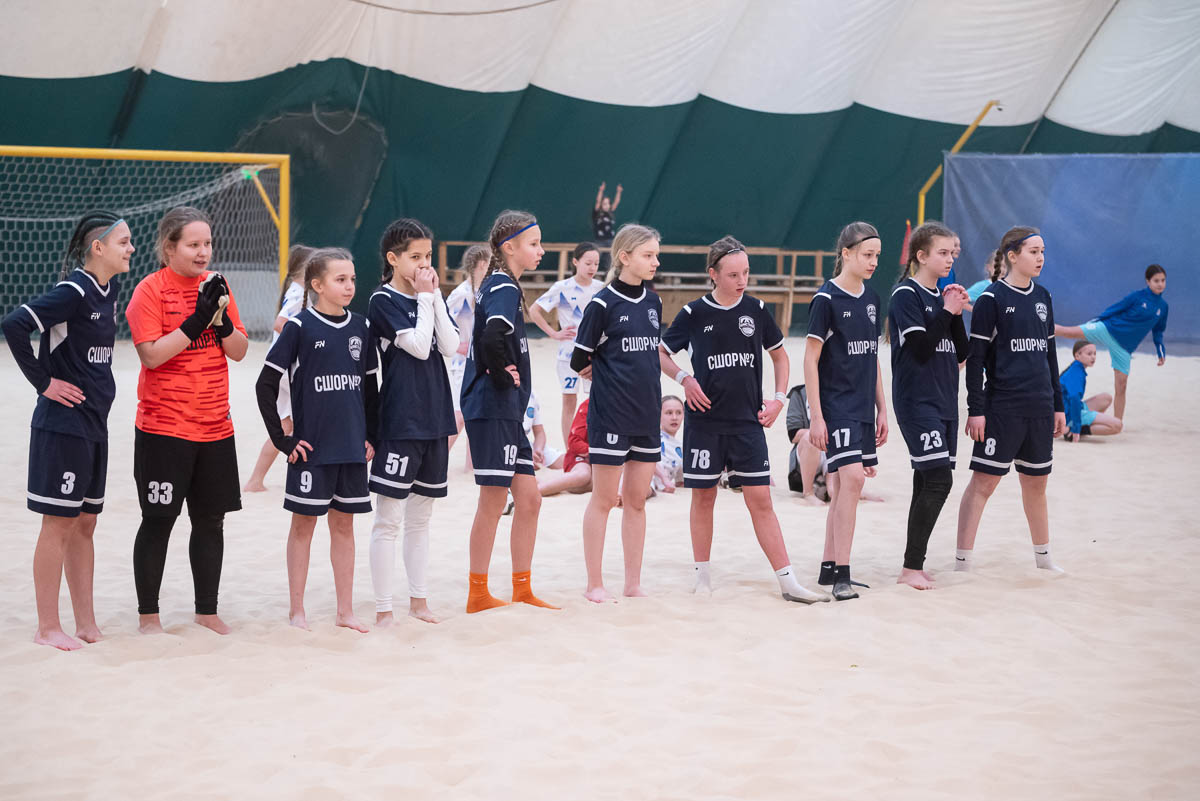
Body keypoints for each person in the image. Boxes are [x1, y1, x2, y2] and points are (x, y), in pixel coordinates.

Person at [660, 235, 827, 603]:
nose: (742, 280)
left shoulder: (756, 309)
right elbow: (661, 353)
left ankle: (788, 582)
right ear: (713, 274)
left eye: (746, 273)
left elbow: (780, 356)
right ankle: (702, 577)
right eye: (733, 274)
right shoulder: (694, 313)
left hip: (747, 423)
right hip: (704, 423)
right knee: (703, 498)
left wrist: (779, 399)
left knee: (761, 500)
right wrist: (684, 379)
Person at [2, 211, 133, 650]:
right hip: (63, 426)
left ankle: (86, 623)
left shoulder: (108, 289)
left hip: (95, 424)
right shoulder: (73, 291)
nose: (131, 248)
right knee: (58, 522)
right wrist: (44, 383)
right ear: (98, 248)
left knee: (86, 522)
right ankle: (47, 627)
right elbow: (14, 324)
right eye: (123, 242)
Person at [125, 206, 249, 635]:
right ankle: (148, 617)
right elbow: (151, 355)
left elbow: (239, 351)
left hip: (215, 427)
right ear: (168, 248)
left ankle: (206, 611)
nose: (203, 252)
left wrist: (222, 322)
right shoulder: (150, 290)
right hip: (164, 428)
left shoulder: (217, 284)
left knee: (211, 521)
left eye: (208, 243)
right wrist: (198, 321)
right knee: (159, 520)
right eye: (193, 244)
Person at [256, 248, 377, 631]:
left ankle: (345, 612)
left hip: (352, 449)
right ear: (317, 285)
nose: (350, 286)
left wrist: (371, 435)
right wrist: (283, 440)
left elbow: (371, 389)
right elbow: (265, 384)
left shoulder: (361, 327)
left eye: (352, 279)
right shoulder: (299, 326)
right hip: (312, 450)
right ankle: (297, 610)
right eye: (340, 280)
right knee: (303, 526)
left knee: (344, 527)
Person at [460, 210, 557, 612]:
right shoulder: (501, 284)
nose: (541, 250)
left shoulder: (501, 283)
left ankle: (522, 588)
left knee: (530, 499)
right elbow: (491, 337)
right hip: (491, 406)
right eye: (534, 243)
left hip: (506, 410)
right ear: (510, 247)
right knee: (492, 500)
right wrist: (502, 373)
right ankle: (478, 593)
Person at [956, 226, 1066, 573]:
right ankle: (963, 562)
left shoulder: (1043, 297)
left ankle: (1044, 560)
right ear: (1012, 256)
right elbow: (975, 360)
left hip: (1040, 406)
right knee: (984, 483)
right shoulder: (991, 299)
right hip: (1002, 408)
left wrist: (1058, 405)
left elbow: (1050, 356)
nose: (1040, 258)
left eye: (1043, 251)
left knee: (1036, 484)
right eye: (1034, 252)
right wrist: (976, 410)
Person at [367, 219, 460, 627]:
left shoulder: (428, 295)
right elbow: (419, 347)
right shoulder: (382, 300)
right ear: (393, 259)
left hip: (435, 418)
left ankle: (419, 601)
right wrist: (425, 298)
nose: (424, 264)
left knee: (421, 519)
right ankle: (383, 607)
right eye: (415, 257)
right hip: (401, 420)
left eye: (428, 256)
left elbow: (451, 345)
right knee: (389, 520)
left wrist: (434, 297)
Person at [571, 223, 662, 603]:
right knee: (605, 499)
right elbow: (579, 359)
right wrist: (605, 373)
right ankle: (594, 584)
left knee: (636, 501)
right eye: (648, 255)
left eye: (656, 255)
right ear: (624, 257)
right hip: (610, 415)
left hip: (648, 414)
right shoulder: (603, 304)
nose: (655, 262)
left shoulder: (654, 302)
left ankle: (632, 584)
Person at [803, 221, 889, 601]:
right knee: (852, 480)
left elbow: (872, 358)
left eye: (877, 256)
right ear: (847, 253)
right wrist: (817, 416)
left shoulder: (872, 299)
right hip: (835, 405)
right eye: (867, 254)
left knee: (843, 486)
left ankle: (828, 567)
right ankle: (843, 574)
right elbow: (810, 359)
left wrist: (883, 409)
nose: (873, 262)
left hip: (863, 407)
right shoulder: (826, 300)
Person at [886, 221, 969, 591]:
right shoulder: (906, 294)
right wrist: (947, 311)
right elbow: (920, 349)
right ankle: (910, 567)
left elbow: (962, 353)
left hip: (945, 401)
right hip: (917, 401)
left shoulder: (940, 297)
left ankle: (913, 564)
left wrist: (956, 312)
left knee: (927, 479)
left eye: (952, 253)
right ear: (921, 255)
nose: (950, 259)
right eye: (942, 252)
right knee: (938, 480)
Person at [1054, 264, 1168, 421]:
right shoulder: (1137, 297)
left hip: (1124, 348)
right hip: (1108, 329)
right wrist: (1098, 320)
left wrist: (1160, 351)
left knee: (1121, 386)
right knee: (1067, 331)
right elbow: (1116, 309)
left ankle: (1117, 423)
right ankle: (1036, 326)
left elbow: (1158, 331)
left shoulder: (1163, 307)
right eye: (1156, 280)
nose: (1160, 284)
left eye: (1163, 280)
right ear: (1148, 281)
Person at [244, 244, 315, 492]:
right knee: (305, 421)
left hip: (283, 368)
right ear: (305, 271)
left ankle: (256, 480)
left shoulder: (296, 291)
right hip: (287, 370)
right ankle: (305, 475)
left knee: (286, 427)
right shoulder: (298, 295)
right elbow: (280, 323)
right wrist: (305, 339)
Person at [529, 242, 602, 445]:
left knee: (594, 400)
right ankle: (570, 447)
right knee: (569, 400)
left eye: (596, 263)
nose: (592, 268)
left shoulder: (601, 288)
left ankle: (591, 444)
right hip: (568, 355)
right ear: (575, 262)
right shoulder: (562, 288)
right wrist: (553, 333)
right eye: (588, 263)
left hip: (594, 355)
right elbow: (534, 310)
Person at [445, 244, 490, 459]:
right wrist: (457, 345)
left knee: (476, 414)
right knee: (460, 415)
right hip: (462, 364)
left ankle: (471, 466)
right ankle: (438, 459)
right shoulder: (461, 294)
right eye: (490, 263)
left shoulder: (486, 291)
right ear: (481, 264)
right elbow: (439, 324)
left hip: (481, 363)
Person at [1061, 341, 1123, 441]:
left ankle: (1080, 425)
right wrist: (1076, 427)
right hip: (1068, 416)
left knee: (1106, 398)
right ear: (1077, 356)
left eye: (1094, 354)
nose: (1093, 357)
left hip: (1072, 408)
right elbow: (1074, 399)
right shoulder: (1076, 372)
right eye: (1089, 354)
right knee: (1117, 425)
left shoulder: (1077, 368)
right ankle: (1073, 431)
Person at [538, 398, 593, 497]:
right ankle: (536, 490)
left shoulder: (621, 406)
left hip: (607, 462)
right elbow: (574, 441)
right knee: (583, 475)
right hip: (583, 457)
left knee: (615, 476)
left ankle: (546, 482)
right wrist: (593, 452)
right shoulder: (589, 405)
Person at [652, 396, 684, 494]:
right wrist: (664, 478)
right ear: (658, 415)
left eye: (678, 413)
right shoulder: (651, 438)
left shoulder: (680, 449)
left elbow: (681, 481)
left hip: (657, 489)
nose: (674, 418)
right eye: (669, 413)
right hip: (644, 481)